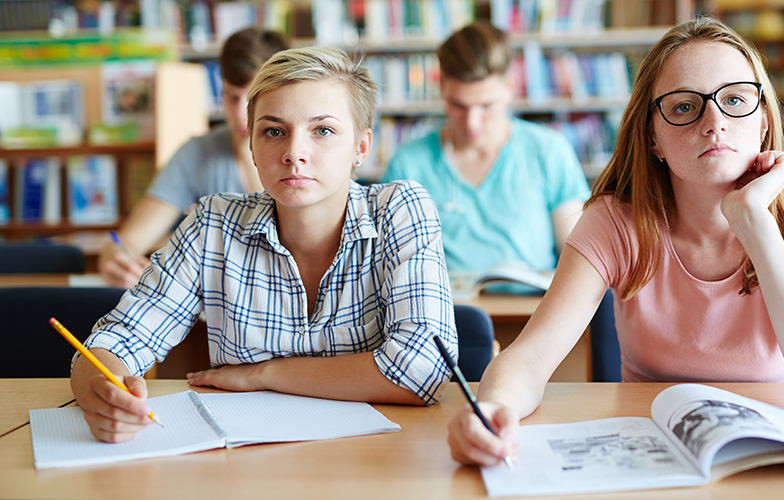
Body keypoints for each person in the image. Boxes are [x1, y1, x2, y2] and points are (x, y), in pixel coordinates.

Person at [446, 16, 784, 466]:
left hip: (773, 462)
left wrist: (755, 224)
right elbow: (530, 358)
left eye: (734, 100)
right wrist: (494, 407)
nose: (715, 122)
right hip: (649, 460)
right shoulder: (615, 224)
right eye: (685, 107)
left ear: (764, 121)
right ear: (653, 137)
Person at [71, 46, 456, 443]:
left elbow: (422, 371)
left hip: (377, 459)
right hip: (246, 463)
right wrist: (103, 389)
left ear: (361, 147)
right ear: (252, 145)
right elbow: (113, 342)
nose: (294, 154)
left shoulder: (400, 209)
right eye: (274, 131)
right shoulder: (213, 224)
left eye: (322, 131)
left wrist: (265, 372)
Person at [380, 21, 591, 273]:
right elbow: (388, 265)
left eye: (486, 105)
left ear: (509, 89)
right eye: (458, 105)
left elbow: (578, 256)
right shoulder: (408, 164)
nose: (472, 122)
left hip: (533, 308)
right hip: (444, 310)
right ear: (441, 88)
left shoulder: (548, 150)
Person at [98, 28, 291, 288]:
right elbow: (126, 242)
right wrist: (117, 261)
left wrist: (249, 151)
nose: (239, 113)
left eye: (252, 99)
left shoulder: (302, 153)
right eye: (232, 97)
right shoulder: (196, 153)